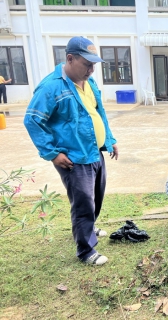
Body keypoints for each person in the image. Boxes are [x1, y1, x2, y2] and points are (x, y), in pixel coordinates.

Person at [24, 36, 118, 266]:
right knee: (83, 202)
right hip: (74, 158)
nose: (91, 70)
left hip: (94, 151)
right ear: (70, 58)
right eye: (87, 64)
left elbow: (99, 113)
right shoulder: (52, 87)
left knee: (96, 196)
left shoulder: (89, 83)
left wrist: (109, 138)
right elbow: (33, 120)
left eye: (94, 65)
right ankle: (86, 250)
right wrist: (53, 154)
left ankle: (89, 228)